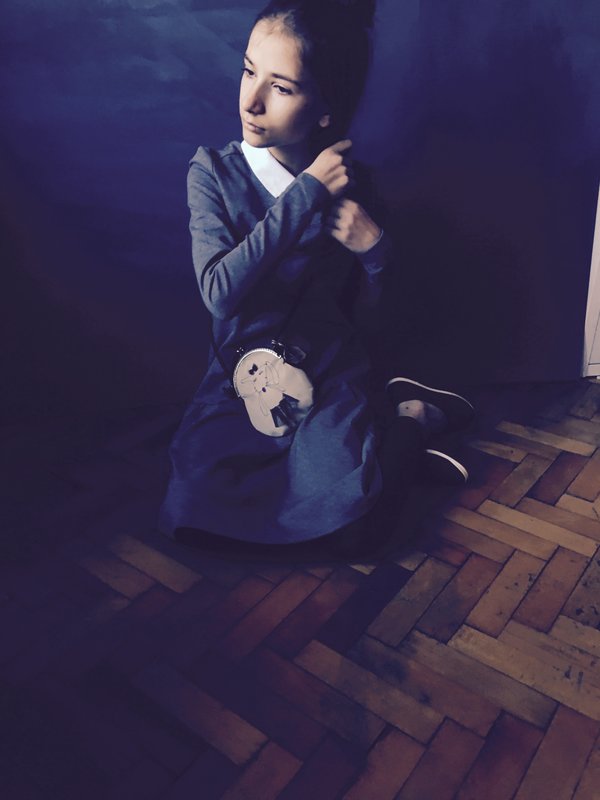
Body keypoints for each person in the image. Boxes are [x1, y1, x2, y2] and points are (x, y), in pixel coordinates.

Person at [158, 0, 474, 561]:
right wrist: (306, 192)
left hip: (329, 375)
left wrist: (377, 253)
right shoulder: (213, 172)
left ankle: (410, 421)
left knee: (355, 529)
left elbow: (370, 322)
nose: (251, 101)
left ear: (325, 109)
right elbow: (220, 294)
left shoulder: (355, 185)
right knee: (189, 513)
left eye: (280, 87)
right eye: (249, 71)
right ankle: (386, 450)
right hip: (241, 379)